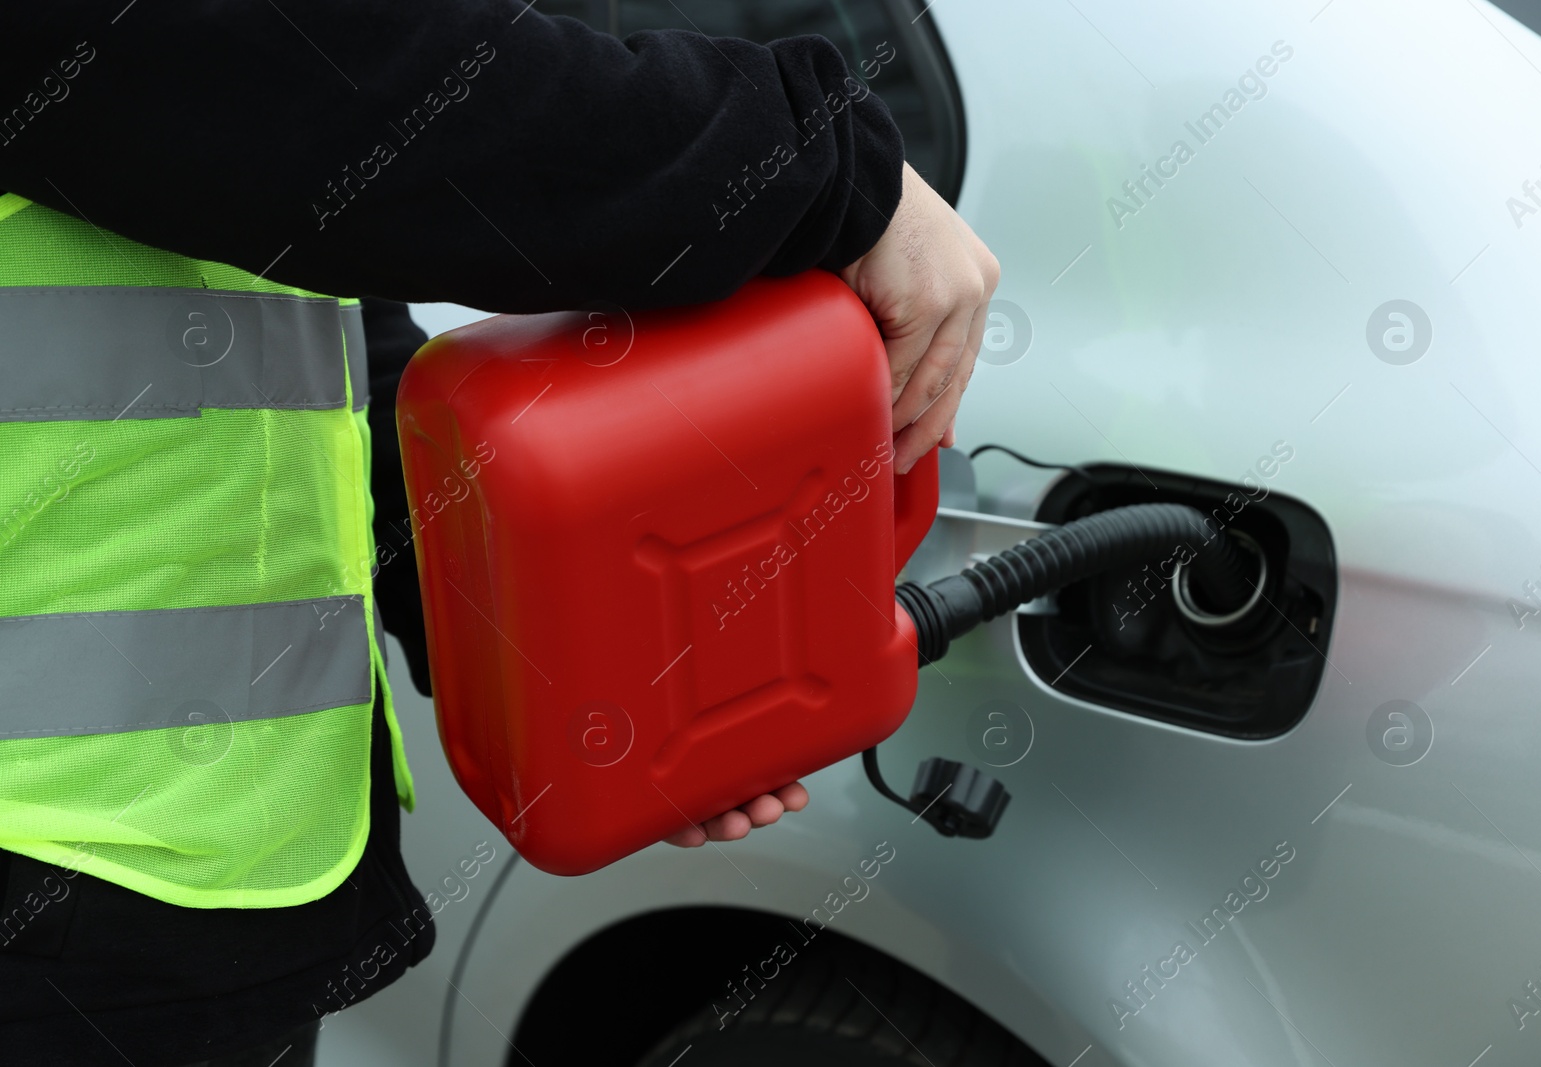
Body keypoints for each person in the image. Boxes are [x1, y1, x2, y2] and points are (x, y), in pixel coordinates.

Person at [0, 3, 999, 1064]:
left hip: (194, 903)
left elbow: (324, 379)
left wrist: (581, 679)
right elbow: (358, 98)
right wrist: (826, 163)